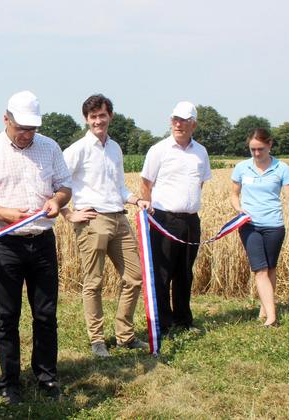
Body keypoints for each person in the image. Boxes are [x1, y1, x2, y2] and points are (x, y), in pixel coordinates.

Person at [0, 90, 71, 404]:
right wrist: (6, 215)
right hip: (6, 244)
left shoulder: (50, 147)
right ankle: (9, 382)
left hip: (42, 241)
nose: (27, 134)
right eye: (21, 128)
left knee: (45, 314)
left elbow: (65, 186)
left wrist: (56, 200)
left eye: (32, 129)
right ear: (6, 119)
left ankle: (46, 377)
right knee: (7, 315)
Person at [62, 94, 150, 358]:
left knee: (134, 277)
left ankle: (125, 335)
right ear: (86, 120)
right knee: (94, 282)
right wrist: (68, 214)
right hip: (93, 220)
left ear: (110, 116)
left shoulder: (115, 148)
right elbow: (55, 183)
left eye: (102, 115)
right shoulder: (77, 149)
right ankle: (97, 340)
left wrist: (136, 200)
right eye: (92, 117)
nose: (98, 121)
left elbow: (119, 187)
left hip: (119, 218)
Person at [140, 101, 211, 335]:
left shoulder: (201, 152)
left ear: (194, 124)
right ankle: (164, 322)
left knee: (185, 272)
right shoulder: (159, 150)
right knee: (163, 273)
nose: (178, 124)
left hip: (190, 221)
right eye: (175, 120)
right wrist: (150, 211)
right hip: (164, 220)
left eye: (183, 120)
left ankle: (183, 320)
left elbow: (200, 182)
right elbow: (146, 183)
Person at [230, 128, 289, 327]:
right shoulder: (242, 168)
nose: (257, 153)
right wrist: (239, 209)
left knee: (270, 268)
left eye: (260, 149)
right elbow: (234, 194)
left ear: (269, 144)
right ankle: (272, 317)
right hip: (249, 226)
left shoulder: (282, 168)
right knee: (259, 270)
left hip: (275, 226)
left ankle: (264, 308)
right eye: (253, 150)